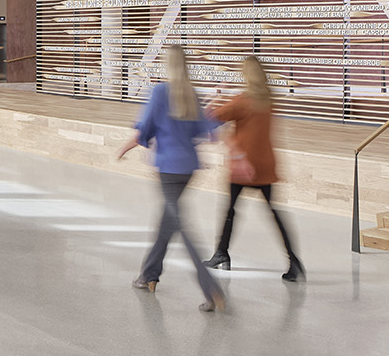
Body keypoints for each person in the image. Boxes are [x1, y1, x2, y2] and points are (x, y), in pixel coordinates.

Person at [117, 45, 225, 311]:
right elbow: (209, 133)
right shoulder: (192, 93)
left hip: (168, 168)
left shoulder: (161, 91)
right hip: (187, 168)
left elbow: (145, 128)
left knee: (181, 226)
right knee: (167, 221)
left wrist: (124, 148)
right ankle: (148, 276)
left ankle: (210, 288)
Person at [207, 55, 304, 281]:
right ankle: (294, 261)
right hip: (266, 165)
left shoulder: (242, 101)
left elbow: (210, 118)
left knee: (230, 210)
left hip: (243, 165)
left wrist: (216, 93)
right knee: (274, 214)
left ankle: (221, 254)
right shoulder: (268, 100)